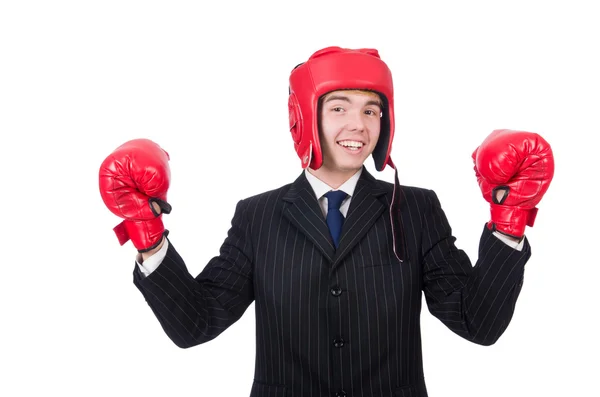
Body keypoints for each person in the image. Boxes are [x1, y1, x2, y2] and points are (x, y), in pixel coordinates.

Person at [98, 46, 554, 397]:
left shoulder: (415, 208)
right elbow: (195, 324)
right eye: (339, 107)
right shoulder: (256, 216)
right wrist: (148, 234)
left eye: (371, 110)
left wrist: (508, 219)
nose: (359, 124)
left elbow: (479, 324)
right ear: (304, 117)